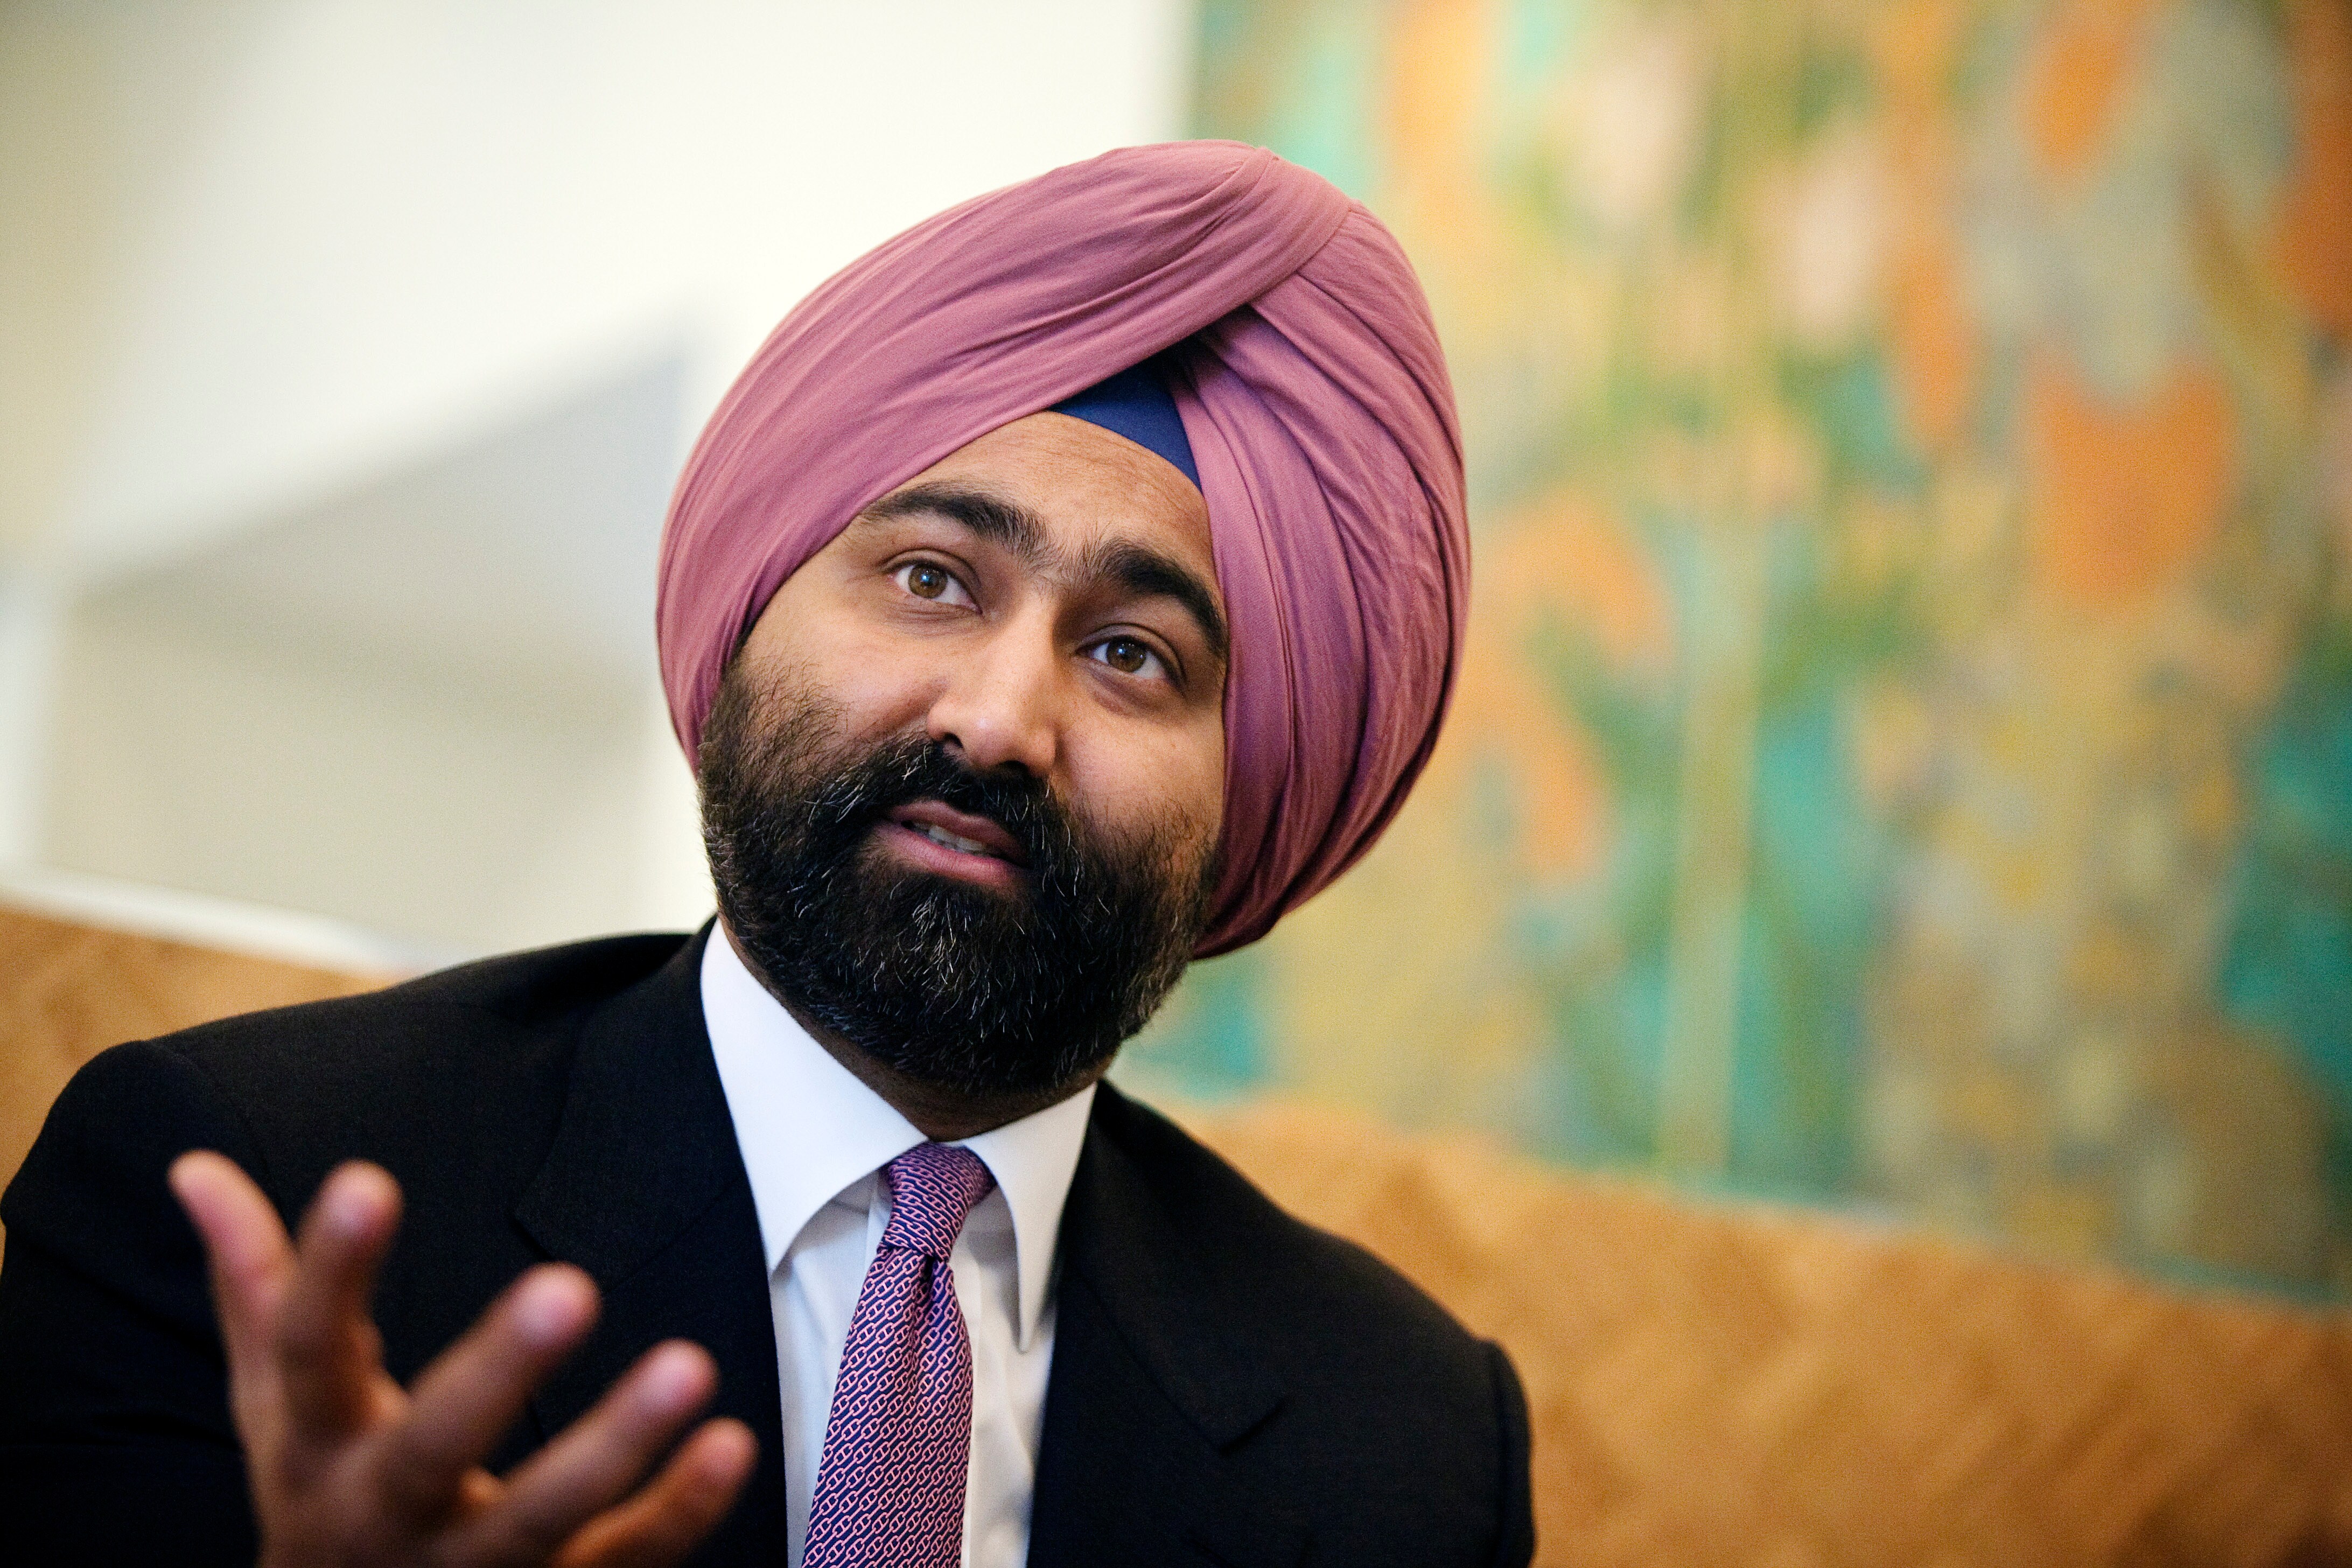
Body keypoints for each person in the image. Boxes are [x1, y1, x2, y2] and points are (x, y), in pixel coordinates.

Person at [0, 142, 1533, 1567]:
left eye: (1133, 655)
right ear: (743, 619)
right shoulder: (248, 1192)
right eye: (932, 579)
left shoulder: (1404, 1440)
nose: (1003, 719)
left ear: (1251, 794)